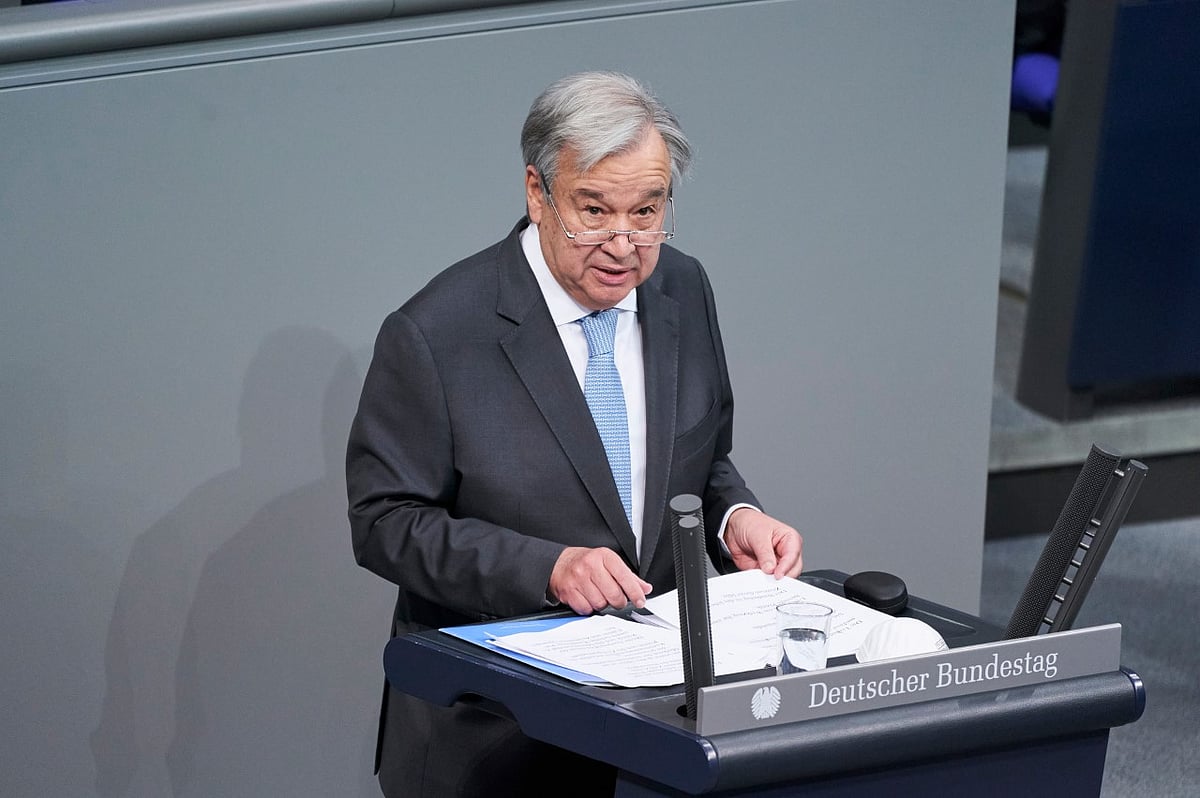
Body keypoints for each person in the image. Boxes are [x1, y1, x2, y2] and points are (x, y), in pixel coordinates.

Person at [346, 71, 803, 797]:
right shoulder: (435, 334)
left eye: (647, 212)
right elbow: (386, 524)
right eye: (594, 211)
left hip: (656, 732)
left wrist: (735, 517)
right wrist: (548, 568)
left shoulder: (682, 287)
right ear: (537, 192)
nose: (625, 245)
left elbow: (702, 456)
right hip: (497, 742)